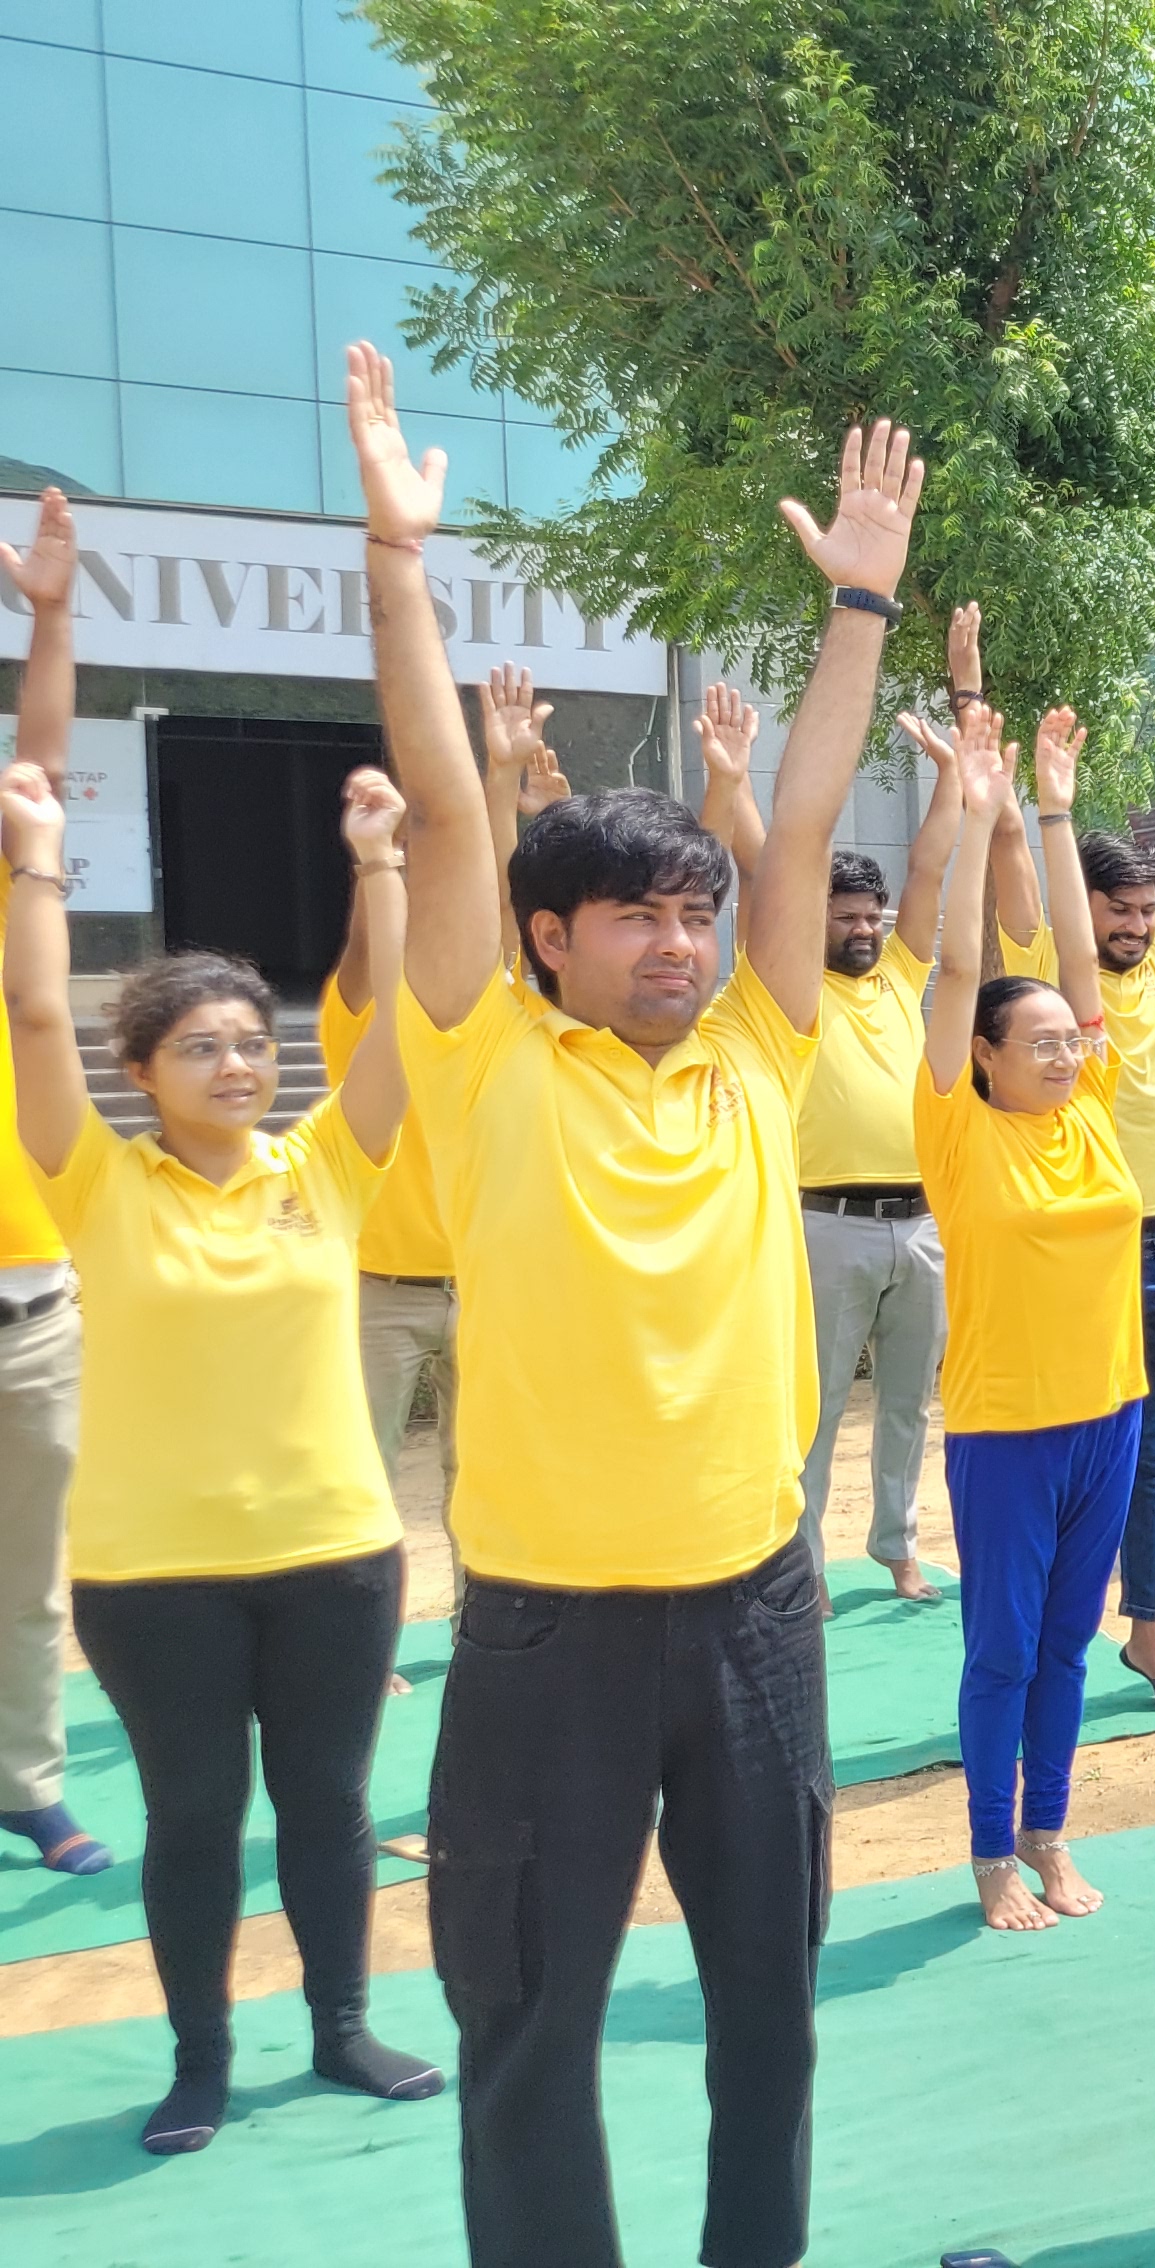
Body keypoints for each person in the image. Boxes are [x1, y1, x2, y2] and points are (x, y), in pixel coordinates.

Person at [359, 343, 900, 2268]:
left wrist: (861, 602)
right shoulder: (487, 1060)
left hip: (756, 1618)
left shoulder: (757, 1047)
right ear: (546, 940)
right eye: (638, 918)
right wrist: (397, 557)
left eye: (697, 912)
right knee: (527, 2032)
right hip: (543, 1646)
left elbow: (817, 800)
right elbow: (439, 797)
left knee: (770, 2025)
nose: (683, 943)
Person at [5, 758, 434, 2162]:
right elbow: (30, 1008)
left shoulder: (326, 1168)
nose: (237, 1063)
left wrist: (382, 861)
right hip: (155, 1572)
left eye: (253, 1041)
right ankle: (198, 2062)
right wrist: (41, 861)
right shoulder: (95, 1179)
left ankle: (340, 2027)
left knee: (331, 1803)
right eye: (200, 1046)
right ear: (142, 1073)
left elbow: (415, 1032)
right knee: (195, 1815)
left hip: (334, 1553)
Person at [911, 700, 1147, 1933]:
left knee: (1068, 1648)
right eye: (1039, 1043)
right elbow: (965, 967)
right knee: (1000, 1653)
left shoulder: (1092, 1107)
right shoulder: (955, 1132)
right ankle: (991, 1857)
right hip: (1007, 1430)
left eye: (1070, 1039)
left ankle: (1052, 1834)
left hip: (1110, 1416)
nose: (1063, 1051)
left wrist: (1052, 808)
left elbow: (1068, 955)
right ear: (986, 1060)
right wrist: (964, 808)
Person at [995, 622, 1155, 1712]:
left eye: (1142, 908)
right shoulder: (1055, 970)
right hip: (1078, 1244)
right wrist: (1043, 799)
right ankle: (1050, 1618)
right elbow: (1030, 885)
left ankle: (1148, 1629)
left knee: (1149, 1442)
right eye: (1116, 909)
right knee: (1066, 1437)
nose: (1136, 922)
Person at [319, 662, 562, 1577]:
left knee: (485, 1471)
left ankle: (481, 1624)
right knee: (361, 1471)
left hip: (487, 1282)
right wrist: (381, 855)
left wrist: (502, 790)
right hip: (384, 1289)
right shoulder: (366, 1017)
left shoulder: (485, 1019)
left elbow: (498, 917)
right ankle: (365, 1641)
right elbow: (368, 945)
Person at [791, 626, 968, 1602]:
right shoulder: (787, 992)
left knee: (908, 1403)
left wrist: (948, 776)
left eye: (870, 915)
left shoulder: (904, 976)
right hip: (827, 1226)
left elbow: (935, 872)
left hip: (922, 1221)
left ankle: (896, 1544)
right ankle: (804, 1561)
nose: (862, 928)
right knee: (814, 1407)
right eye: (844, 915)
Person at [0, 492, 98, 1882]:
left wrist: (54, 615)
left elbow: (38, 764)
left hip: (31, 1312)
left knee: (30, 1581)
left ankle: (27, 1781)